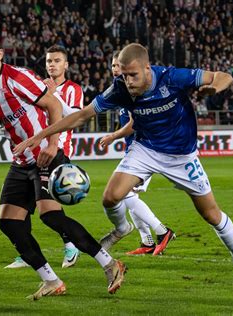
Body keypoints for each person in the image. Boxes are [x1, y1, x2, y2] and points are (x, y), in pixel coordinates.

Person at [13, 43, 233, 294]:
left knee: (211, 214)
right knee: (110, 197)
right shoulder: (119, 88)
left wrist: (214, 87)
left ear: (147, 68)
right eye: (124, 75)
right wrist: (40, 135)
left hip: (182, 156)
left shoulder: (171, 77)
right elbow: (82, 115)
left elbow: (223, 76)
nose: (128, 81)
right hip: (146, 149)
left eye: (133, 75)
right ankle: (122, 228)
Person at [0, 30, 126, 300]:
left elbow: (54, 106)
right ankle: (51, 280)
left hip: (46, 154)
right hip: (21, 161)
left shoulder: (17, 77)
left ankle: (110, 264)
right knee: (9, 222)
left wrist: (53, 144)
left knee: (51, 216)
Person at [5, 45, 83, 269]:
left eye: (57, 61)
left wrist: (53, 94)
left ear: (66, 65)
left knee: (51, 201)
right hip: (34, 151)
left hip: (57, 149)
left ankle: (71, 244)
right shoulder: (37, 85)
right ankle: (27, 252)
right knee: (24, 201)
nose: (52, 65)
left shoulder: (72, 89)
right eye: (49, 61)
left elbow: (75, 116)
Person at [99, 51, 174, 256]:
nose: (115, 70)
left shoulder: (134, 90)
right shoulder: (121, 89)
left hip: (147, 151)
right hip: (135, 151)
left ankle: (162, 231)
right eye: (113, 66)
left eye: (118, 66)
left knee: (125, 195)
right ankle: (147, 241)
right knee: (128, 197)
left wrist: (112, 136)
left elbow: (134, 124)